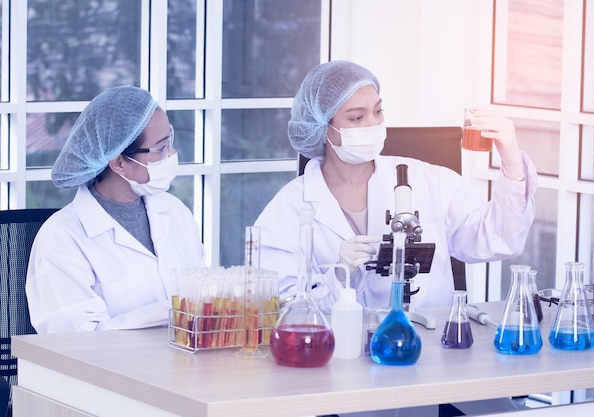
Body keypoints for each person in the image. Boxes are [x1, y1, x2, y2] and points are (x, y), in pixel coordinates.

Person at [254, 61, 537, 416]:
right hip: (343, 374)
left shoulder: (429, 180)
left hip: (436, 362)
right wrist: (337, 277)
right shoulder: (290, 207)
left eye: (377, 111)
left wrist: (510, 158)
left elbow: (498, 239)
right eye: (356, 118)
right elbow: (278, 311)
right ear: (321, 128)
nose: (372, 125)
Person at [26, 86, 205, 333]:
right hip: (107, 370)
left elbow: (203, 297)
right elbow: (74, 339)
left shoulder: (175, 212)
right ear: (120, 162)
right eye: (161, 147)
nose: (171, 154)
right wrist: (172, 312)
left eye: (170, 141)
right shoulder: (62, 236)